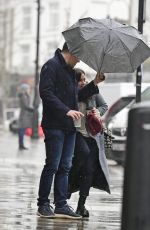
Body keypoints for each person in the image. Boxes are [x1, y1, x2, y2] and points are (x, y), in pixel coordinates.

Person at [37, 42, 104, 219]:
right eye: (79, 55)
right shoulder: (51, 66)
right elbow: (46, 93)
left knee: (65, 167)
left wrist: (94, 83)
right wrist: (65, 110)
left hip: (69, 127)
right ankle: (43, 203)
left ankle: (61, 204)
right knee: (52, 165)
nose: (80, 60)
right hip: (54, 125)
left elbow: (78, 96)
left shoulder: (68, 70)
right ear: (72, 51)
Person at [68, 68, 111, 218]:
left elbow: (104, 106)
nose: (83, 82)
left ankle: (81, 205)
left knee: (89, 171)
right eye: (80, 80)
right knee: (76, 165)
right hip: (76, 135)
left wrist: (98, 111)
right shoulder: (71, 93)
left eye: (84, 79)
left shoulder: (93, 92)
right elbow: (79, 95)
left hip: (92, 136)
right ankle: (64, 196)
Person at [18, 83, 33, 150]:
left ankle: (21, 144)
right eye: (28, 88)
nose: (29, 89)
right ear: (25, 89)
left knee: (22, 130)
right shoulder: (23, 96)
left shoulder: (25, 95)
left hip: (25, 115)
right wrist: (32, 110)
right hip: (24, 115)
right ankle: (21, 145)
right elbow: (26, 106)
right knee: (21, 130)